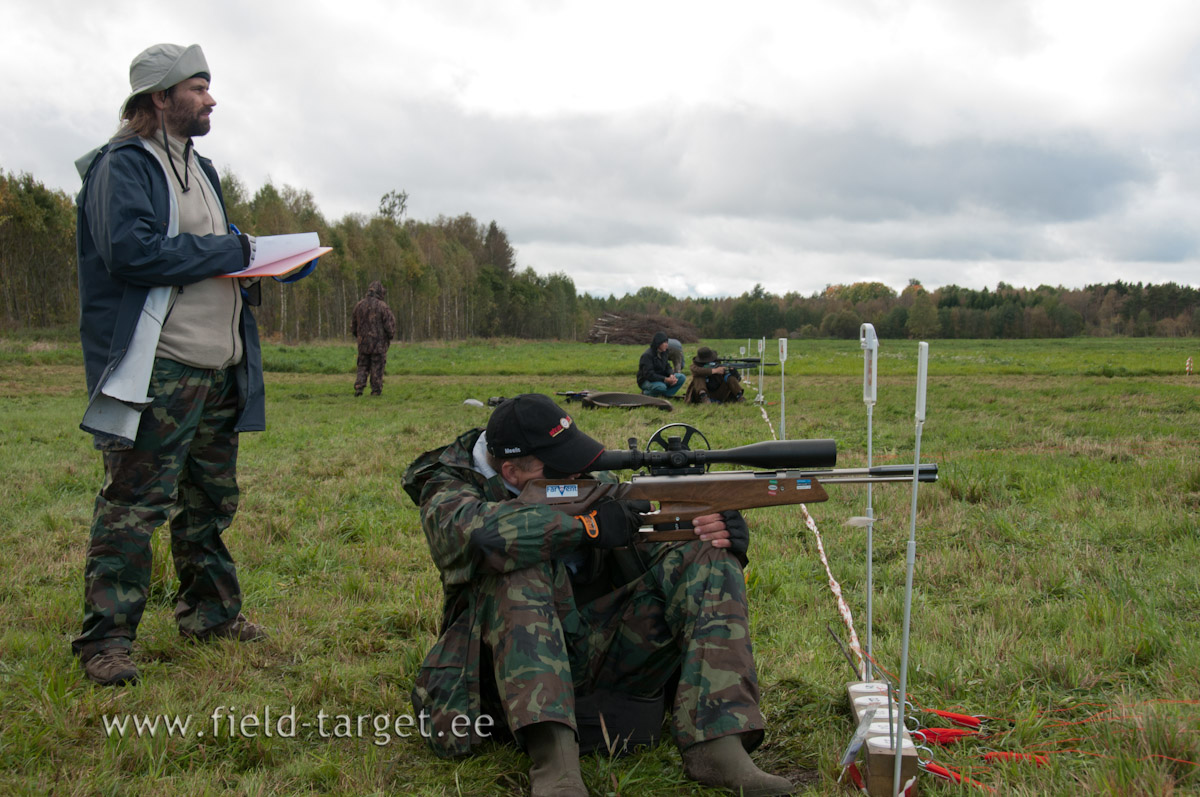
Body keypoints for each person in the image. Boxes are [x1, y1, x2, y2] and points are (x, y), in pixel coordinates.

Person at [402, 394, 793, 797]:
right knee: (520, 569)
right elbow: (481, 537)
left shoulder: (586, 482)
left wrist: (710, 534)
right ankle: (555, 767)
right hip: (501, 672)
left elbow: (646, 549)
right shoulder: (447, 486)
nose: (576, 471)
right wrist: (586, 528)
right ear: (511, 472)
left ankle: (719, 745)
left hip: (595, 647)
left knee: (705, 558)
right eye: (557, 465)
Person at [73, 43, 269, 686]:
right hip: (159, 366)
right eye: (199, 87)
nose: (212, 99)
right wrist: (226, 249)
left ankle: (210, 613)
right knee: (135, 503)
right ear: (161, 98)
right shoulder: (121, 166)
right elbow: (132, 253)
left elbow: (212, 253)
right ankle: (107, 640)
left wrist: (260, 263)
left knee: (210, 500)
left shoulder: (201, 166)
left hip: (218, 366)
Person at [351, 280, 397, 396]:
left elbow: (353, 326)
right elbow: (390, 326)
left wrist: (360, 337)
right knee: (377, 367)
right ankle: (376, 390)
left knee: (362, 365)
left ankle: (359, 387)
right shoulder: (383, 307)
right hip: (379, 344)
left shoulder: (359, 305)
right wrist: (390, 336)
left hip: (363, 344)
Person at [636, 331, 687, 398]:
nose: (667, 345)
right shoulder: (647, 355)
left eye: (667, 343)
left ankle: (666, 395)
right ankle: (646, 393)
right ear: (658, 343)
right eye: (664, 343)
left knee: (681, 377)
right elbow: (649, 375)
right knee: (661, 387)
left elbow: (667, 366)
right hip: (647, 380)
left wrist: (671, 375)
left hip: (661, 378)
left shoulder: (664, 352)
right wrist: (665, 379)